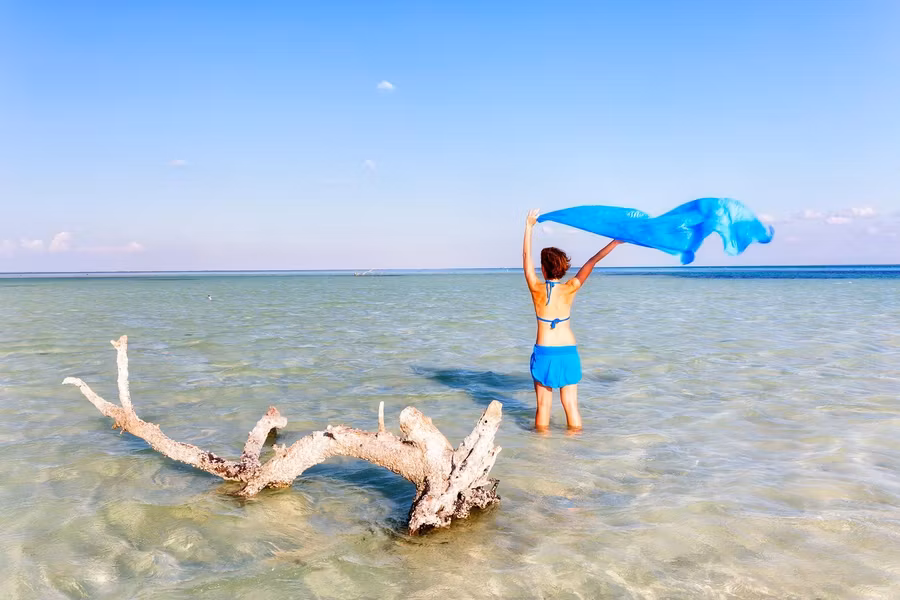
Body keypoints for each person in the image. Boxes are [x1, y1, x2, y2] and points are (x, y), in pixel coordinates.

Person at [523, 209, 622, 431]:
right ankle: (575, 454)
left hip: (545, 352)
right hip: (568, 351)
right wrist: (615, 243)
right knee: (571, 406)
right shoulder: (571, 288)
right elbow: (592, 261)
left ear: (544, 268)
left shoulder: (536, 288)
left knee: (543, 407)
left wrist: (528, 227)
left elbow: (525, 259)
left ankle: (542, 453)